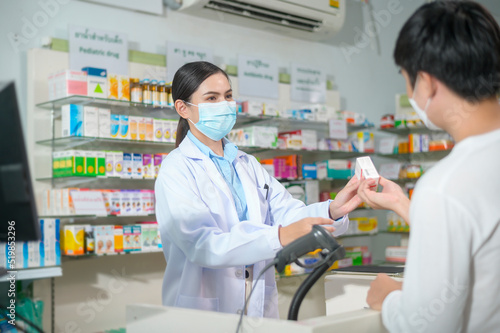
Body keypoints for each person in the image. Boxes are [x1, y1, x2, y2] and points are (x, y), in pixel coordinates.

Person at [155, 61, 361, 318]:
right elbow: (202, 245)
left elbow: (286, 213)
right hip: (203, 311)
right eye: (212, 98)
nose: (225, 104)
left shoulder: (246, 163)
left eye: (228, 96)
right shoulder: (176, 169)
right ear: (183, 108)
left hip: (256, 307)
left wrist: (332, 209)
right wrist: (280, 236)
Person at [357, 2, 500, 332]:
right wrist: (403, 205)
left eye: (406, 80)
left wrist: (390, 297)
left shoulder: (445, 185)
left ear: (427, 83)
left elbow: (427, 327)